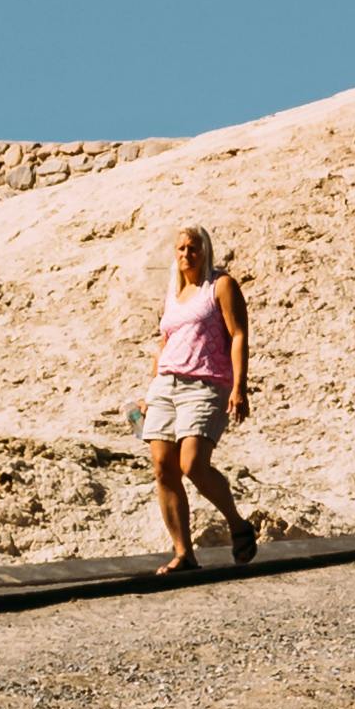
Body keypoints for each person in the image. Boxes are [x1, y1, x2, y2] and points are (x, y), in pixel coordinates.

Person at [144, 224, 256, 575]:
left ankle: (237, 524)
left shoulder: (220, 285)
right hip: (166, 384)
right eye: (181, 248)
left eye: (193, 248)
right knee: (163, 468)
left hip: (205, 385)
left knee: (192, 463)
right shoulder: (174, 292)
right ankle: (184, 554)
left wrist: (239, 386)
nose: (186, 254)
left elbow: (238, 335)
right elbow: (165, 342)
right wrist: (151, 388)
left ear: (205, 251)